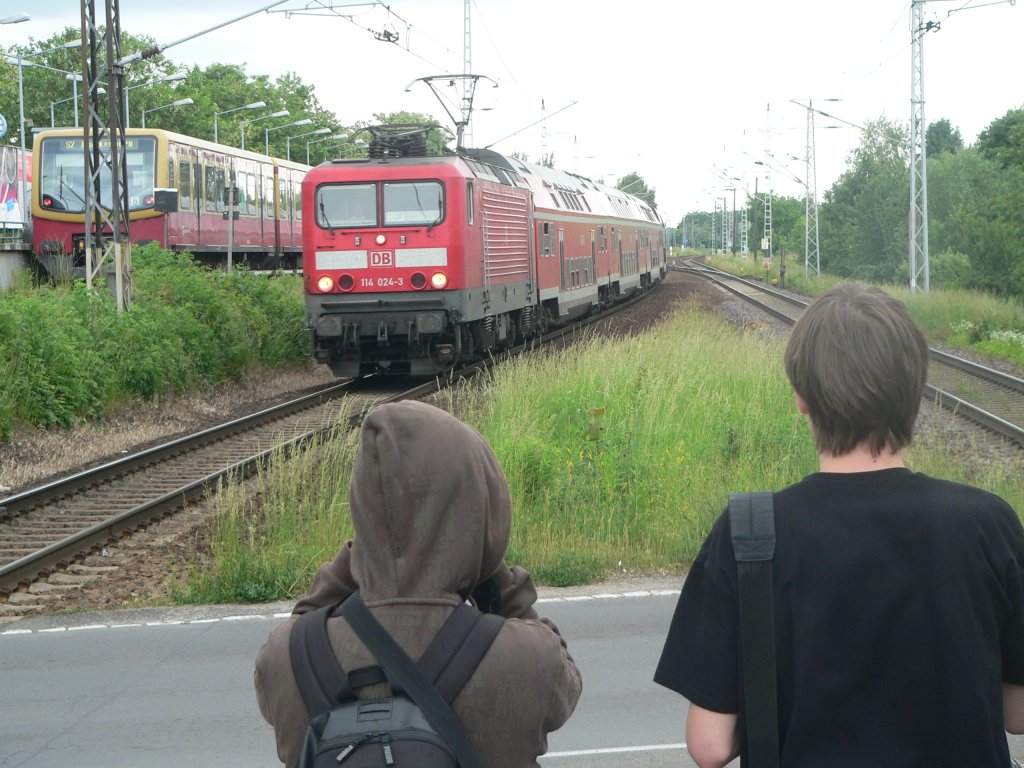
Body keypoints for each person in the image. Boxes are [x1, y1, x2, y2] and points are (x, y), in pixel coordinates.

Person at [654, 282, 1024, 767]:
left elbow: (710, 746)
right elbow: (1016, 712)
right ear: (916, 393)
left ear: (802, 398)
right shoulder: (988, 524)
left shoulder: (748, 533)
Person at [255, 400, 582, 767]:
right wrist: (499, 580)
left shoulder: (286, 657)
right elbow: (566, 686)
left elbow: (304, 620)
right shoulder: (527, 658)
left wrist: (363, 556)